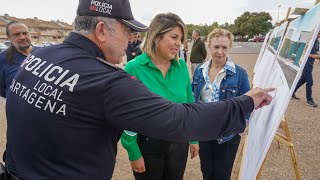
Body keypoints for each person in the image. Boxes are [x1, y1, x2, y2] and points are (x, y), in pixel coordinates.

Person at [4, 0, 273, 179]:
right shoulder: (106, 81)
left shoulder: (37, 58)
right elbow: (180, 118)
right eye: (128, 31)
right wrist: (245, 102)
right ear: (101, 30)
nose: (131, 39)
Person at [121, 13, 199, 180]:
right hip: (148, 145)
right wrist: (133, 152)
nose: (179, 43)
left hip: (179, 143)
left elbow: (189, 105)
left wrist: (193, 138)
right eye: (174, 37)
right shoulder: (133, 68)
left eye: (181, 38)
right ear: (156, 37)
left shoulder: (181, 66)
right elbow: (125, 114)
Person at [192, 28, 250, 180]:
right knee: (206, 171)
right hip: (204, 133)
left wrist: (239, 126)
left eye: (224, 47)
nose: (220, 51)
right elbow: (194, 98)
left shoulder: (240, 74)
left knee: (222, 175)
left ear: (229, 48)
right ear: (209, 46)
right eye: (216, 47)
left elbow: (247, 105)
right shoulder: (200, 71)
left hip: (227, 136)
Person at [0, 21, 38, 98]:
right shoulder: (2, 59)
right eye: (16, 34)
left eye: (25, 33)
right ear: (9, 37)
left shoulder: (44, 53)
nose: (22, 37)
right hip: (17, 108)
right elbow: (2, 91)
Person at [292, 31, 320, 107]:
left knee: (302, 80)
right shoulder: (309, 41)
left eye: (319, 34)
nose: (318, 36)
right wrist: (316, 57)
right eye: (318, 34)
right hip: (305, 64)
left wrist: (318, 56)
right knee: (310, 82)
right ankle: (309, 100)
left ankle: (292, 92)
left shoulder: (317, 42)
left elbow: (316, 53)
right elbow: (305, 53)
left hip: (311, 64)